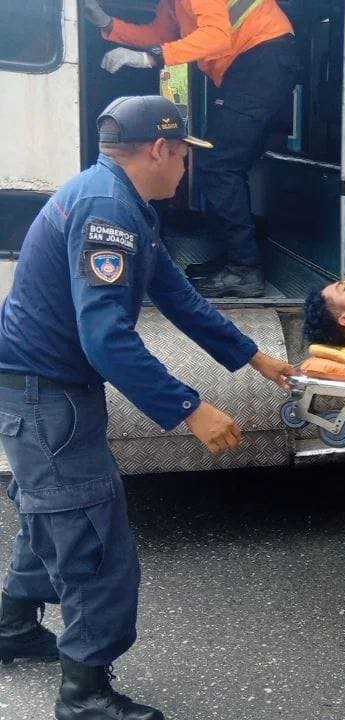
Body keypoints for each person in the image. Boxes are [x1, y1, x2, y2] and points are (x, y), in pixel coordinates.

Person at [0, 96, 293, 720]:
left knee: (54, 511)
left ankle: (13, 627)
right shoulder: (108, 209)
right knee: (91, 537)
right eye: (184, 155)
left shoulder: (118, 199)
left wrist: (253, 356)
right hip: (45, 394)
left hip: (43, 389)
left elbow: (177, 295)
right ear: (160, 149)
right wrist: (190, 408)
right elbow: (106, 338)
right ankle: (85, 697)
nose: (186, 168)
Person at [82, 0, 300, 298]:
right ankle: (236, 258)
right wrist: (108, 24)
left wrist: (152, 58)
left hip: (263, 57)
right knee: (225, 164)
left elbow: (215, 36)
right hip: (253, 63)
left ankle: (245, 268)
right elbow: (161, 34)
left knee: (218, 163)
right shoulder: (171, 3)